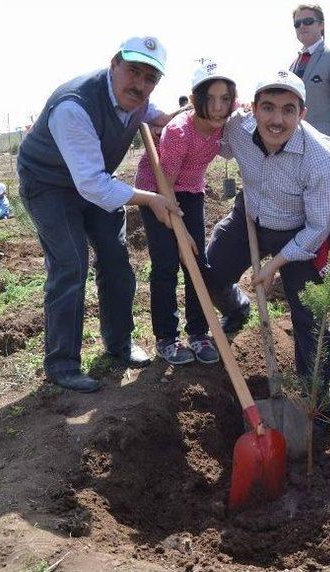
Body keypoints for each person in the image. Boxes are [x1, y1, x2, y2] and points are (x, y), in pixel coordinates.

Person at [17, 36, 180, 393]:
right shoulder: (74, 106)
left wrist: (170, 120)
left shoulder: (139, 99)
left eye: (150, 78)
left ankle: (119, 342)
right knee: (71, 263)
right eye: (133, 71)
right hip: (49, 184)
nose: (140, 84)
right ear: (114, 64)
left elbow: (151, 114)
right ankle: (62, 364)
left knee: (116, 260)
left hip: (94, 179)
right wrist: (151, 198)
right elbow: (92, 184)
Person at [205, 69, 330, 386]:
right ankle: (238, 309)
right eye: (268, 107)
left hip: (298, 233)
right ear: (253, 109)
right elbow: (213, 138)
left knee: (309, 315)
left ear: (302, 113)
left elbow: (318, 228)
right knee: (210, 272)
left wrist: (276, 264)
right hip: (248, 217)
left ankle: (314, 397)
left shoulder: (322, 158)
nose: (276, 120)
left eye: (288, 109)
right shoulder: (238, 128)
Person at [135, 60, 236, 366]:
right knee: (167, 264)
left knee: (197, 261)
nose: (219, 108)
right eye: (211, 99)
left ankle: (198, 332)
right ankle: (166, 337)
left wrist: (188, 233)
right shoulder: (179, 132)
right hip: (157, 192)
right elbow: (165, 183)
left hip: (191, 191)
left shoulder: (224, 124)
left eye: (225, 99)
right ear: (195, 100)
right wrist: (178, 227)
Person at [289, 3, 330, 156]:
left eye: (308, 21)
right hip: (295, 144)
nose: (302, 26)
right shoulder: (292, 65)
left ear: (321, 25)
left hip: (325, 146)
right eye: (297, 24)